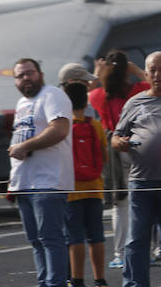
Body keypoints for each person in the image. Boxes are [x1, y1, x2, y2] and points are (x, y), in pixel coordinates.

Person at [112, 51, 161, 287]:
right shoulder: (135, 102)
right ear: (145, 73)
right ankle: (135, 284)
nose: (157, 74)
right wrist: (120, 142)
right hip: (141, 181)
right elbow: (116, 136)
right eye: (152, 69)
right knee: (136, 239)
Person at [8, 58, 74, 287]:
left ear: (40, 74)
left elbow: (60, 130)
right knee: (36, 241)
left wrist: (24, 147)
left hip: (48, 181)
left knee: (50, 239)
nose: (26, 78)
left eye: (30, 73)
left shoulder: (52, 95)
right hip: (24, 182)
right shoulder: (21, 103)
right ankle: (44, 282)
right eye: (20, 75)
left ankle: (55, 283)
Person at [89, 50, 149, 270]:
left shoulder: (99, 95)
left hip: (113, 150)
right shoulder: (139, 91)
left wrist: (98, 73)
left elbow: (86, 93)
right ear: (127, 69)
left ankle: (120, 253)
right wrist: (136, 70)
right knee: (142, 201)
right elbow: (156, 85)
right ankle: (145, 249)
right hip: (138, 147)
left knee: (120, 205)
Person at [63, 80, 110, 287]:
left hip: (71, 189)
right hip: (94, 187)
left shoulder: (63, 127)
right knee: (96, 236)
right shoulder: (95, 125)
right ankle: (100, 279)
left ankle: (77, 280)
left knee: (75, 237)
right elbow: (104, 157)